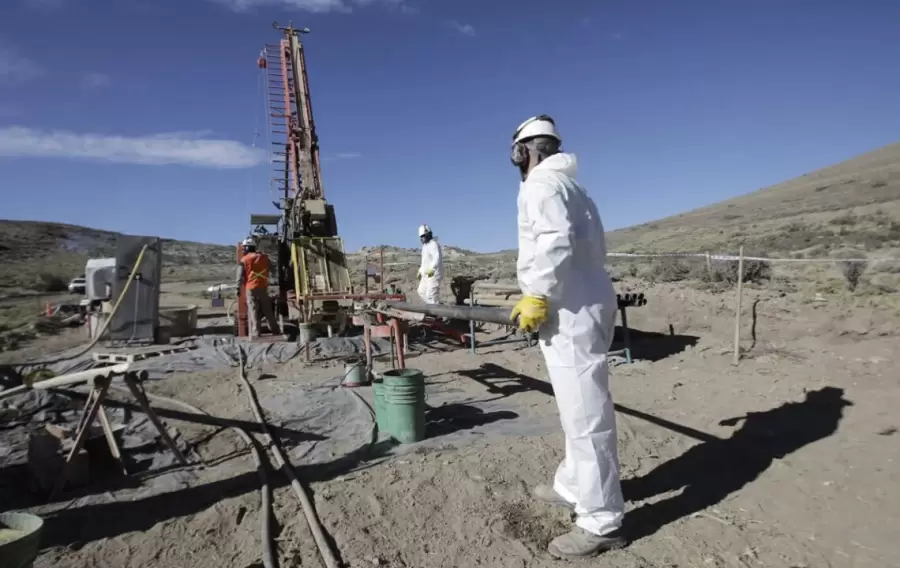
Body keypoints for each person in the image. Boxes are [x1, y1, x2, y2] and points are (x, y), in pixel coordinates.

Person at [508, 115, 626, 559]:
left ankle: (601, 521)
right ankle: (573, 484)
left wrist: (536, 294)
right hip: (585, 300)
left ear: (523, 151)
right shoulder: (574, 187)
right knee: (576, 408)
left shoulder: (540, 185)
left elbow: (554, 241)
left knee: (586, 416)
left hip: (570, 310)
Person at [236, 237, 280, 339]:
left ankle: (256, 332)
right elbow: (273, 270)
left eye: (244, 247)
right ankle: (275, 330)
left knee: (253, 310)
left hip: (251, 288)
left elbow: (239, 275)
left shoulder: (244, 259)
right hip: (263, 287)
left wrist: (237, 288)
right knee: (267, 309)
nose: (243, 249)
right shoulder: (264, 257)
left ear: (248, 247)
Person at [416, 224, 443, 304]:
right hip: (426, 274)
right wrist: (420, 271)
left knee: (430, 294)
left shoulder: (433, 244)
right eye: (420, 237)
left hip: (433, 274)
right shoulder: (424, 247)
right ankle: (434, 306)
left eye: (422, 236)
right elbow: (424, 262)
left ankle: (437, 309)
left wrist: (432, 268)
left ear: (427, 235)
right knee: (421, 291)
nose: (421, 238)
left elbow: (436, 258)